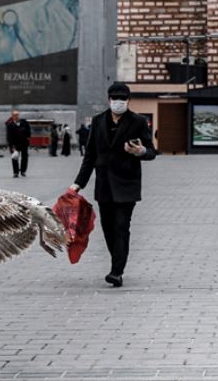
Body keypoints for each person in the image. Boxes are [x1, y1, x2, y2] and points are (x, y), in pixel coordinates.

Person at [70, 83, 156, 288]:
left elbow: (152, 152)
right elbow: (90, 156)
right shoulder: (98, 121)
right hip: (104, 185)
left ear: (128, 100)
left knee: (121, 227)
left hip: (127, 184)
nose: (119, 102)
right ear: (109, 100)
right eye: (115, 98)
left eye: (123, 99)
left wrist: (140, 152)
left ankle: (117, 271)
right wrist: (77, 184)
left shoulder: (138, 121)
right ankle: (116, 261)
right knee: (108, 228)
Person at [6, 109, 31, 178]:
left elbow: (28, 131)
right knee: (15, 158)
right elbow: (9, 136)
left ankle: (23, 171)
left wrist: (28, 138)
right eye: (14, 115)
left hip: (24, 143)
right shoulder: (10, 125)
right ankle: (16, 172)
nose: (16, 116)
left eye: (17, 115)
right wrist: (11, 145)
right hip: (15, 144)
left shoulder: (24, 123)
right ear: (12, 116)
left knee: (25, 157)